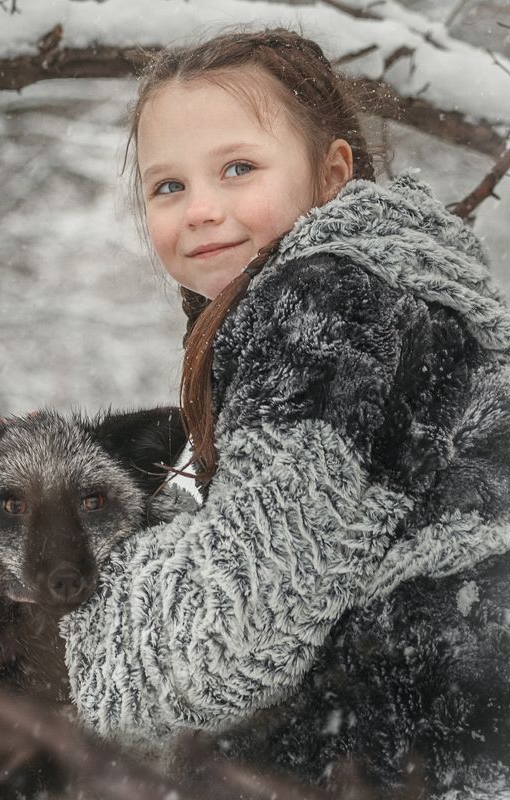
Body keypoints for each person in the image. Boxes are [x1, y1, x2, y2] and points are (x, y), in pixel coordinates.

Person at [72, 27, 509, 797]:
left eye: (237, 169)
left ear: (332, 174)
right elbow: (299, 546)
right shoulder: (388, 297)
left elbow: (239, 630)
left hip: (432, 750)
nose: (201, 210)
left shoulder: (327, 303)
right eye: (167, 186)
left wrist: (65, 593)